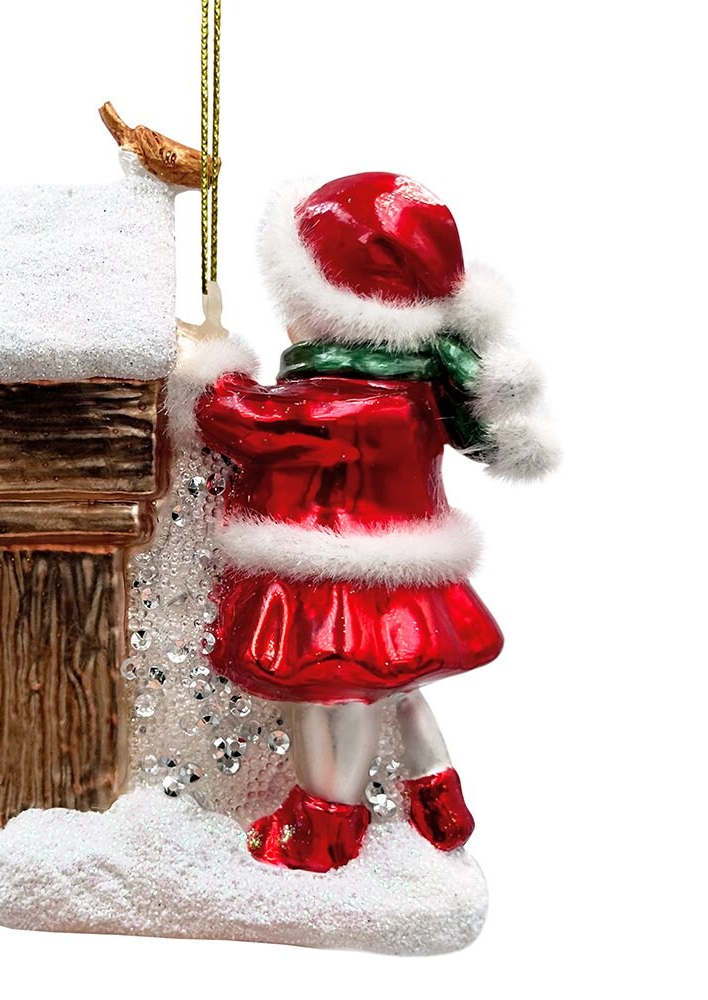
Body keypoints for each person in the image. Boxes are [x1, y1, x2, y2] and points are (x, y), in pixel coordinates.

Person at [179, 172, 557, 873]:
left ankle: (328, 821)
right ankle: (437, 792)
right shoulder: (417, 390)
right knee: (400, 692)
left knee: (334, 699)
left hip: (333, 584)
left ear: (336, 310)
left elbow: (245, 421)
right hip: (399, 575)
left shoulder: (337, 401)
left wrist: (210, 364)